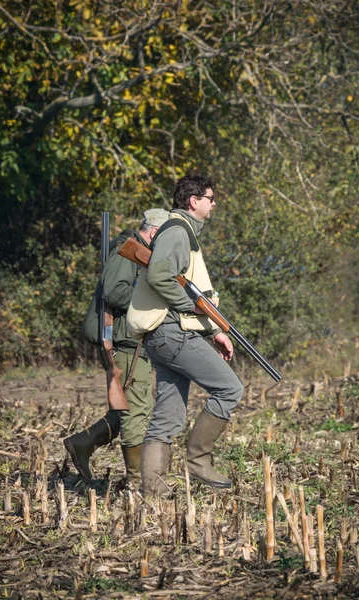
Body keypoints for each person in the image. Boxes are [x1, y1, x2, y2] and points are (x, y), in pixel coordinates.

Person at [126, 174, 244, 496]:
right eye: (210, 198)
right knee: (230, 388)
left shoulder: (181, 232)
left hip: (163, 335)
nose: (213, 203)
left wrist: (213, 330)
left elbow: (175, 283)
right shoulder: (178, 232)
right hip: (171, 334)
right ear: (194, 201)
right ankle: (198, 461)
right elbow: (161, 277)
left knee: (168, 413)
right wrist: (195, 308)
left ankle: (153, 489)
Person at [64, 208, 170, 483]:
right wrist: (151, 297)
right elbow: (113, 290)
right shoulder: (128, 252)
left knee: (126, 410)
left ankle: (82, 443)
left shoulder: (139, 254)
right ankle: (137, 483)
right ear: (155, 233)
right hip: (125, 346)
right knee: (135, 412)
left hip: (132, 344)